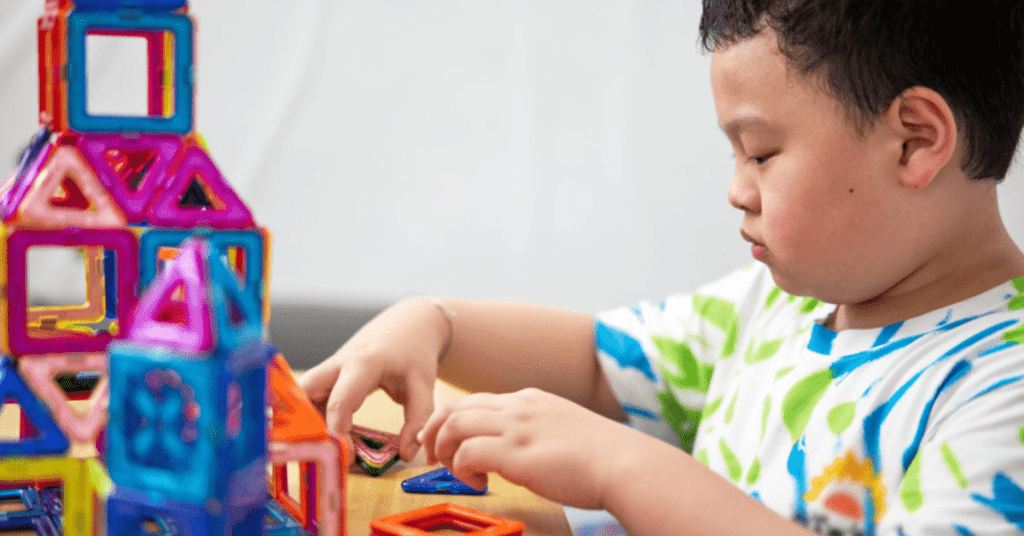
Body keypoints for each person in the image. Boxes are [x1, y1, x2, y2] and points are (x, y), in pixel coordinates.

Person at [299, 1, 1024, 534]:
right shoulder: (777, 306)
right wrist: (433, 323)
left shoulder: (1005, 390)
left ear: (913, 142)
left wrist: (624, 469)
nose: (737, 189)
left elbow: (617, 451)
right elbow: (594, 362)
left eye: (762, 153)